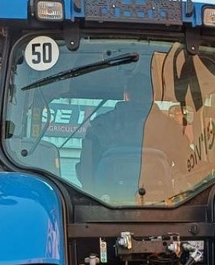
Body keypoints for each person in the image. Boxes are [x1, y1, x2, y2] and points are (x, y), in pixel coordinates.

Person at [77, 65, 191, 202]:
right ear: (153, 95)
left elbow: (86, 172)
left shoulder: (100, 125)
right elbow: (188, 167)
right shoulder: (170, 128)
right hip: (160, 206)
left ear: (126, 95)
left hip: (106, 205)